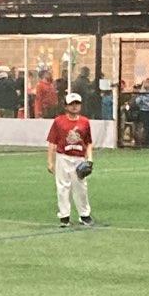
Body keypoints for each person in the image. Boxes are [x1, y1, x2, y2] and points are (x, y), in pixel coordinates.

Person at [47, 92, 94, 228]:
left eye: (77, 103)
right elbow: (52, 142)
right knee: (63, 187)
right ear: (66, 106)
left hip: (79, 158)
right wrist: (50, 161)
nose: (74, 106)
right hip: (63, 156)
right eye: (71, 104)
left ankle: (84, 215)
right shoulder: (59, 121)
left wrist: (90, 159)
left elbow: (88, 142)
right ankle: (64, 216)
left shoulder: (85, 122)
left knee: (81, 187)